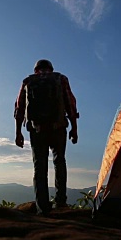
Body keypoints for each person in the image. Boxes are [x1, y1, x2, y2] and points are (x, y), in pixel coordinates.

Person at [14, 59, 79, 215]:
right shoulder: (60, 79)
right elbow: (70, 104)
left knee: (39, 167)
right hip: (58, 128)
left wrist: (18, 133)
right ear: (51, 69)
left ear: (36, 70)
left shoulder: (28, 81)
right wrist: (74, 129)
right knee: (59, 161)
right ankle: (61, 202)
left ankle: (42, 207)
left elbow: (19, 107)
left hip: (37, 130)